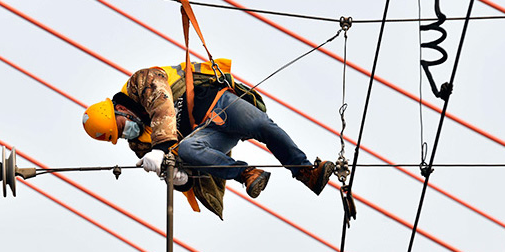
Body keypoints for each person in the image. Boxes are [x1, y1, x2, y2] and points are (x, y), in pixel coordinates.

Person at [82, 60, 335, 219]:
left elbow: (161, 105)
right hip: (209, 135)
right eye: (122, 135)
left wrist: (161, 148)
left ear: (121, 109)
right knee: (189, 149)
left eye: (124, 126)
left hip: (221, 105)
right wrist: (179, 181)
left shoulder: (141, 82)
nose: (129, 133)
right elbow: (173, 166)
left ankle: (305, 172)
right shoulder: (140, 144)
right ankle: (246, 174)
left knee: (262, 126)